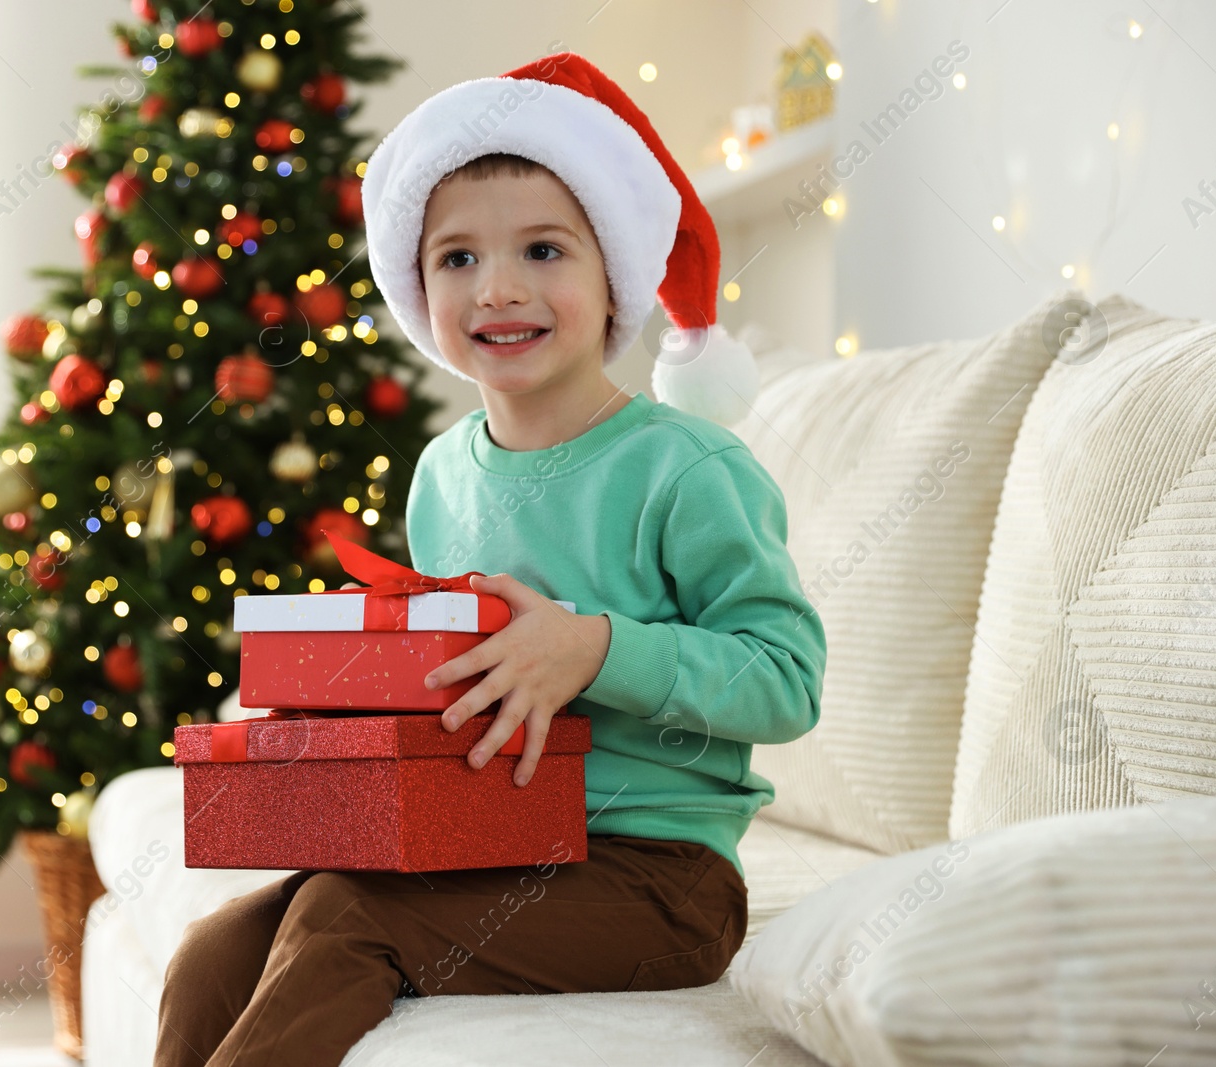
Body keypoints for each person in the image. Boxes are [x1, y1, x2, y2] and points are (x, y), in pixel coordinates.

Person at [153, 51, 826, 1067]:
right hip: (484, 842)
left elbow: (786, 681)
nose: (497, 287)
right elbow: (448, 692)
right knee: (211, 952)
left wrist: (595, 649)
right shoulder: (441, 475)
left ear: (615, 280)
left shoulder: (686, 469)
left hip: (658, 879)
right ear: (418, 289)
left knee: (343, 918)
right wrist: (329, 714)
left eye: (544, 250)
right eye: (456, 257)